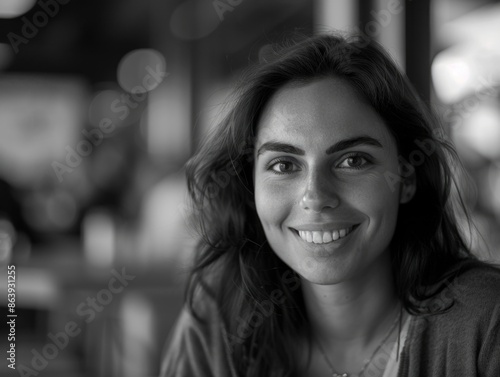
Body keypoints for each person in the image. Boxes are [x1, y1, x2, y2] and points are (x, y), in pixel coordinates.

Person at [159, 33, 500, 377]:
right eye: (283, 165)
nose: (315, 197)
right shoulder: (219, 318)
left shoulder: (485, 324)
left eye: (353, 160)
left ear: (407, 177)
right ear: (252, 184)